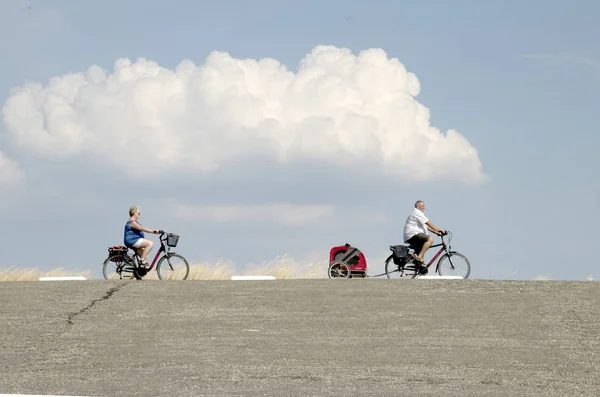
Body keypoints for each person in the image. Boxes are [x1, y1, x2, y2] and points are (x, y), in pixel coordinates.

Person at [403, 200, 445, 267]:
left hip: (412, 235)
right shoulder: (417, 212)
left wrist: (436, 232)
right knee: (430, 239)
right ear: (417, 206)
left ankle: (419, 268)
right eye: (422, 206)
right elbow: (427, 222)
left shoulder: (418, 214)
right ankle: (418, 258)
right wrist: (438, 229)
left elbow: (426, 226)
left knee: (421, 255)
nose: (424, 208)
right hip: (413, 234)